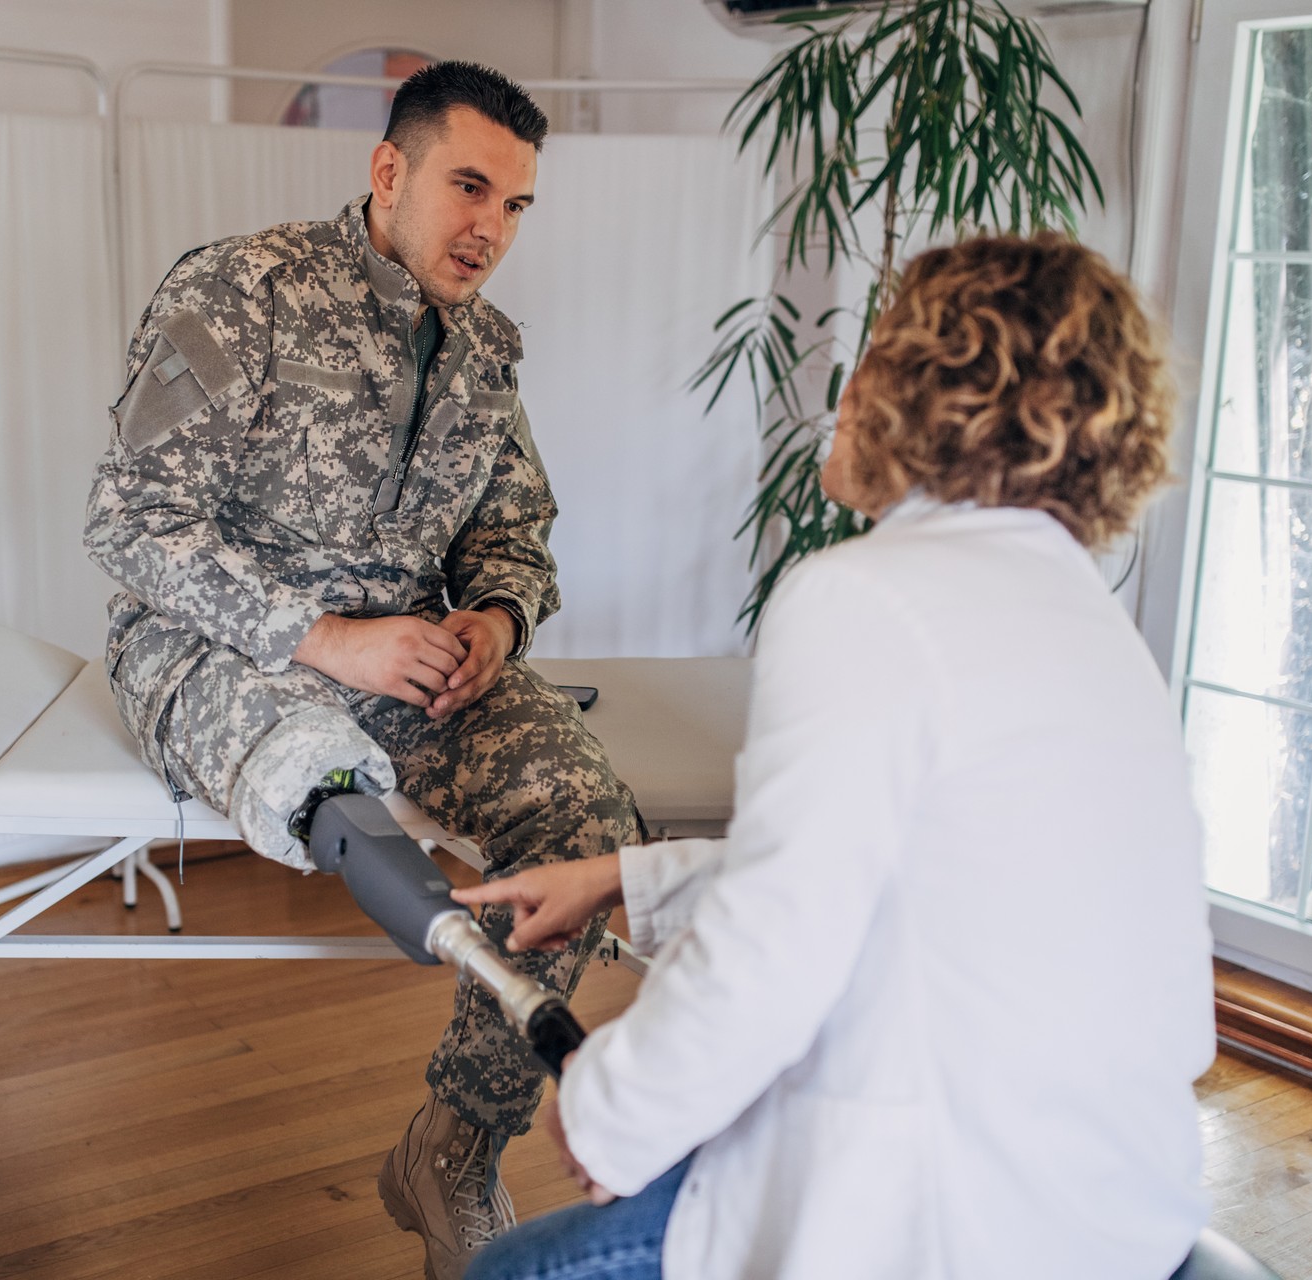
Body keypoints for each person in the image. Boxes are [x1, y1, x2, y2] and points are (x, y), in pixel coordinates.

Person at [455, 235, 1217, 1280]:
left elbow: (775, 944)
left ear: (923, 393)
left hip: (958, 1215)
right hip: (1116, 1196)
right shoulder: (1087, 618)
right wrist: (617, 877)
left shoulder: (864, 595)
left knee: (509, 1272)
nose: (846, 388)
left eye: (877, 354)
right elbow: (900, 867)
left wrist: (609, 1113)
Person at [83, 61, 639, 1280]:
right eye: (469, 186)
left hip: (418, 664)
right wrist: (327, 637)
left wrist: (493, 618)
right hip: (222, 644)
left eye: (517, 204)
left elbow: (515, 529)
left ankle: (451, 1145)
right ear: (389, 171)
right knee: (310, 771)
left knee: (586, 820)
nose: (490, 227)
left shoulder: (487, 349)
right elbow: (130, 523)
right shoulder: (241, 290)